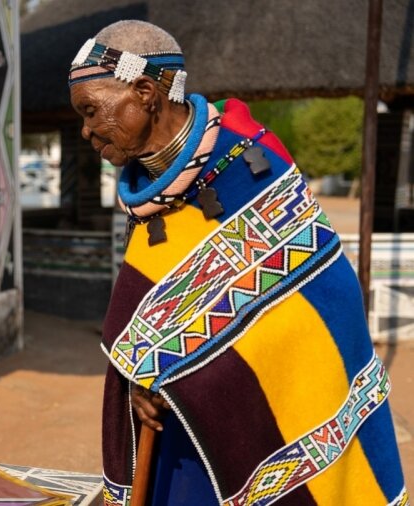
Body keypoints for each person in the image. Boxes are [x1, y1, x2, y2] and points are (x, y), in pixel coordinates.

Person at [68, 20, 408, 505]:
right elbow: (151, 312)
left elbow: (324, 298)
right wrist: (139, 379)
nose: (85, 129)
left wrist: (189, 372)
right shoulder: (147, 191)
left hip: (267, 418)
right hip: (180, 433)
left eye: (91, 111)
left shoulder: (250, 167)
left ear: (144, 92)